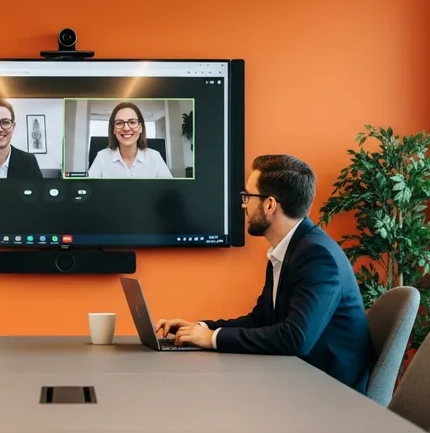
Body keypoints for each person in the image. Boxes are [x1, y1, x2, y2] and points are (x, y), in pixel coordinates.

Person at [154, 154, 374, 393]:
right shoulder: (289, 250)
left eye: (247, 196)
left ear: (270, 205)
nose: (243, 204)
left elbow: (296, 339)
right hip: (300, 379)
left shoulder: (318, 257)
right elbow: (261, 320)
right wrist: (199, 328)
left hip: (332, 394)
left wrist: (212, 338)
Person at [85, 102, 172, 178]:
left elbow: (170, 192)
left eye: (132, 122)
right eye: (119, 123)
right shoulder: (102, 157)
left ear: (140, 128)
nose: (126, 128)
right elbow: (88, 190)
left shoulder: (154, 157)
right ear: (113, 130)